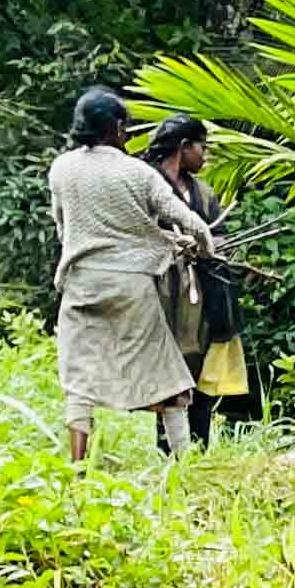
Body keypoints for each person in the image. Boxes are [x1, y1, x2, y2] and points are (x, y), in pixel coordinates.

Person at [47, 85, 217, 461]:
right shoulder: (136, 173)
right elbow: (187, 221)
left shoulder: (61, 169)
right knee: (167, 376)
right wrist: (205, 248)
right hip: (132, 286)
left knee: (80, 379)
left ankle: (76, 468)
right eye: (125, 126)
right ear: (114, 128)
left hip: (81, 284)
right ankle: (184, 461)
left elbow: (63, 226)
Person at [141, 113, 253, 443]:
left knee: (203, 364)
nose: (205, 156)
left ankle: (200, 441)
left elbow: (220, 236)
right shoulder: (148, 183)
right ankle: (169, 445)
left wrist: (210, 246)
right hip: (164, 289)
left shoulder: (202, 193)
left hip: (205, 288)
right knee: (169, 365)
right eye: (201, 147)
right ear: (184, 147)